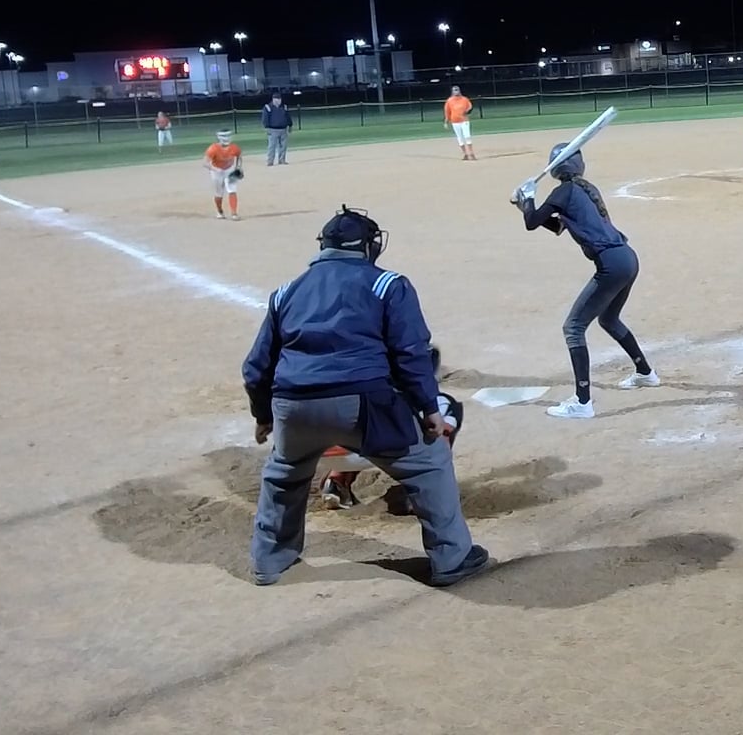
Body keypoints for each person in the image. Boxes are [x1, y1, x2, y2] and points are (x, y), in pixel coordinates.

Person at [243, 206, 488, 587]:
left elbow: (256, 368)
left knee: (284, 474)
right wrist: (428, 409)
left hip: (294, 407)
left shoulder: (285, 293)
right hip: (363, 404)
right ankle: (452, 558)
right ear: (368, 246)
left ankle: (270, 562)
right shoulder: (388, 284)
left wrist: (263, 415)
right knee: (428, 463)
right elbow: (411, 354)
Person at [513, 145, 657, 419]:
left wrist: (529, 198)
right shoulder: (585, 189)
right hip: (627, 258)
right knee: (609, 320)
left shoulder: (563, 192)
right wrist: (525, 206)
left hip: (611, 264)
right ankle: (645, 373)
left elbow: (532, 222)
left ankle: (582, 403)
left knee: (573, 328)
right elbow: (557, 225)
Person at [204, 131, 243, 219]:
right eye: (224, 136)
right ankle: (220, 211)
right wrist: (215, 169)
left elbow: (239, 156)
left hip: (229, 170)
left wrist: (238, 167)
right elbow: (205, 163)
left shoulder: (234, 147)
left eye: (228, 135)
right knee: (219, 193)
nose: (227, 138)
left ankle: (234, 213)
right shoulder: (213, 149)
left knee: (232, 190)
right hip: (216, 172)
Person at [443, 86, 476, 161]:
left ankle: (471, 153)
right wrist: (446, 122)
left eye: (457, 90)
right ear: (452, 92)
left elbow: (470, 107)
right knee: (460, 138)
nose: (456, 91)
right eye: (455, 90)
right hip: (455, 121)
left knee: (467, 136)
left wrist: (467, 111)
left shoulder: (464, 99)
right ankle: (465, 154)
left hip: (464, 120)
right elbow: (447, 112)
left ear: (459, 91)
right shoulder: (449, 101)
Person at [261, 93, 293, 166]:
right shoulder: (268, 107)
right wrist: (266, 127)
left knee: (283, 146)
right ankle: (270, 161)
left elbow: (288, 117)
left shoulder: (284, 107)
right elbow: (265, 118)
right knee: (272, 146)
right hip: (272, 129)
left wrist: (290, 125)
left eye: (280, 99)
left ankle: (282, 160)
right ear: (273, 100)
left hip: (283, 129)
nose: (279, 101)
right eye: (277, 99)